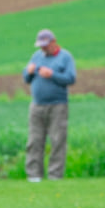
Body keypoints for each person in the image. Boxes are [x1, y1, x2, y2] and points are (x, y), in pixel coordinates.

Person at [23, 29, 77, 181]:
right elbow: (26, 77)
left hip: (58, 105)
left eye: (45, 45)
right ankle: (34, 176)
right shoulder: (36, 56)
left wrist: (52, 75)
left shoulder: (65, 57)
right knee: (34, 141)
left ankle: (55, 175)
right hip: (37, 105)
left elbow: (71, 78)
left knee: (57, 140)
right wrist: (29, 72)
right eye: (41, 46)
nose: (43, 48)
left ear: (53, 42)